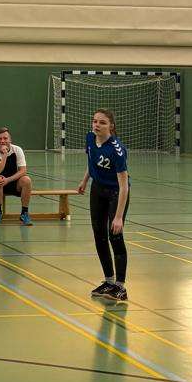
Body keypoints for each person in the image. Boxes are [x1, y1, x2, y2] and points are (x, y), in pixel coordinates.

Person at [77, 107, 131, 303]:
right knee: (99, 235)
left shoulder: (117, 150)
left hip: (116, 192)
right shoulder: (90, 138)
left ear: (111, 126)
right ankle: (108, 281)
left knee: (114, 235)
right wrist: (85, 180)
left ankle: (120, 286)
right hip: (97, 189)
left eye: (102, 122)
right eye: (95, 121)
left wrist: (118, 217)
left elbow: (124, 185)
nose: (97, 125)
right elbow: (91, 161)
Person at [0, 128, 33, 225]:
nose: (2, 141)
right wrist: (5, 155)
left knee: (27, 180)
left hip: (13, 181)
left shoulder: (17, 150)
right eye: (0, 139)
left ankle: (24, 213)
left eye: (5, 138)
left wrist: (8, 180)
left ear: (10, 140)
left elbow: (23, 170)